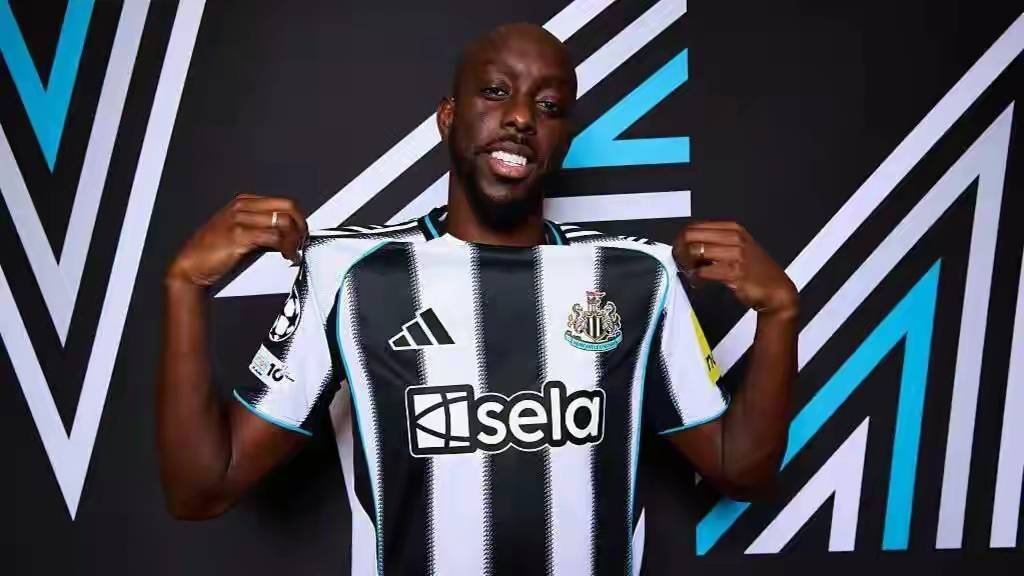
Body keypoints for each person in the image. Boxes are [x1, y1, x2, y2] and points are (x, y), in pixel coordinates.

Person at [158, 23, 798, 575]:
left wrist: (779, 314)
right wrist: (185, 286)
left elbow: (739, 469)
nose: (521, 117)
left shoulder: (636, 277)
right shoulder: (348, 275)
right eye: (496, 92)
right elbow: (203, 488)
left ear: (563, 139)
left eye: (548, 106)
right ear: (448, 118)